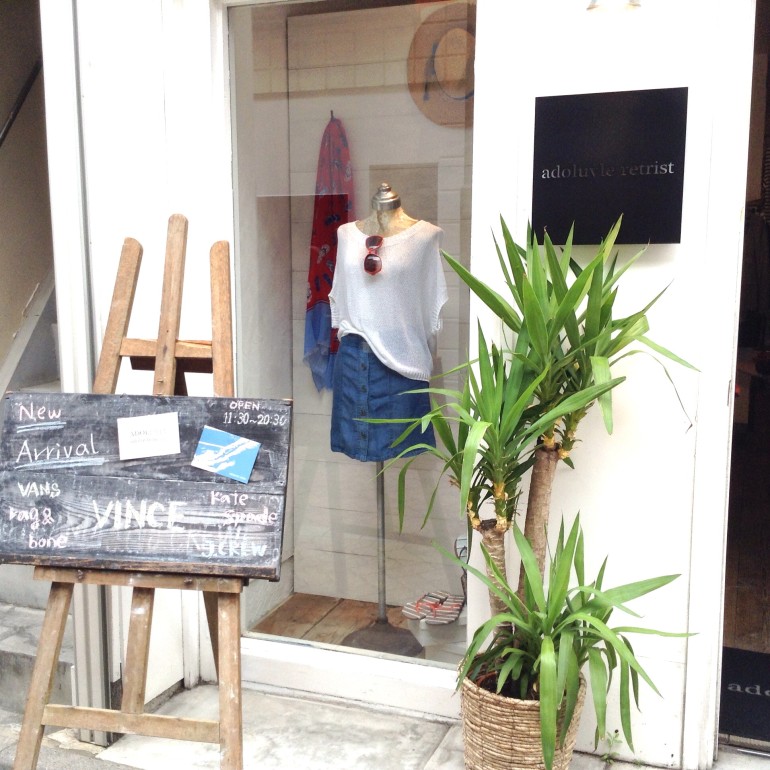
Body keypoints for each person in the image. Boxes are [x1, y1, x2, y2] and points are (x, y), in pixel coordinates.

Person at [329, 183, 448, 462]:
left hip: (403, 365)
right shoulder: (346, 234)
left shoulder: (426, 236)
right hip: (352, 361)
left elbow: (433, 308)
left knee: (399, 450)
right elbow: (338, 298)